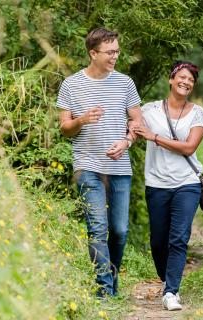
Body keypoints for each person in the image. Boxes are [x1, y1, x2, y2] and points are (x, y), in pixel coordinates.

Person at [57, 27, 142, 298]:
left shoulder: (125, 83)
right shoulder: (71, 84)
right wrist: (81, 120)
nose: (115, 56)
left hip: (119, 167)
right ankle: (104, 291)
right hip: (87, 166)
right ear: (93, 53)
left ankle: (112, 279)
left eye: (117, 51)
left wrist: (127, 142)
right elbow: (64, 128)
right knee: (97, 227)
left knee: (119, 230)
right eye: (109, 52)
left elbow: (138, 123)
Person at [132, 61, 203, 311]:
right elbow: (132, 129)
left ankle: (171, 291)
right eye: (182, 77)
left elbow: (189, 147)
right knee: (158, 241)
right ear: (171, 79)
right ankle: (168, 279)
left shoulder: (198, 113)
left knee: (179, 238)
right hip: (157, 183)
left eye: (191, 80)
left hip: (187, 183)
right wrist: (125, 141)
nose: (186, 82)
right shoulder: (150, 109)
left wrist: (154, 137)